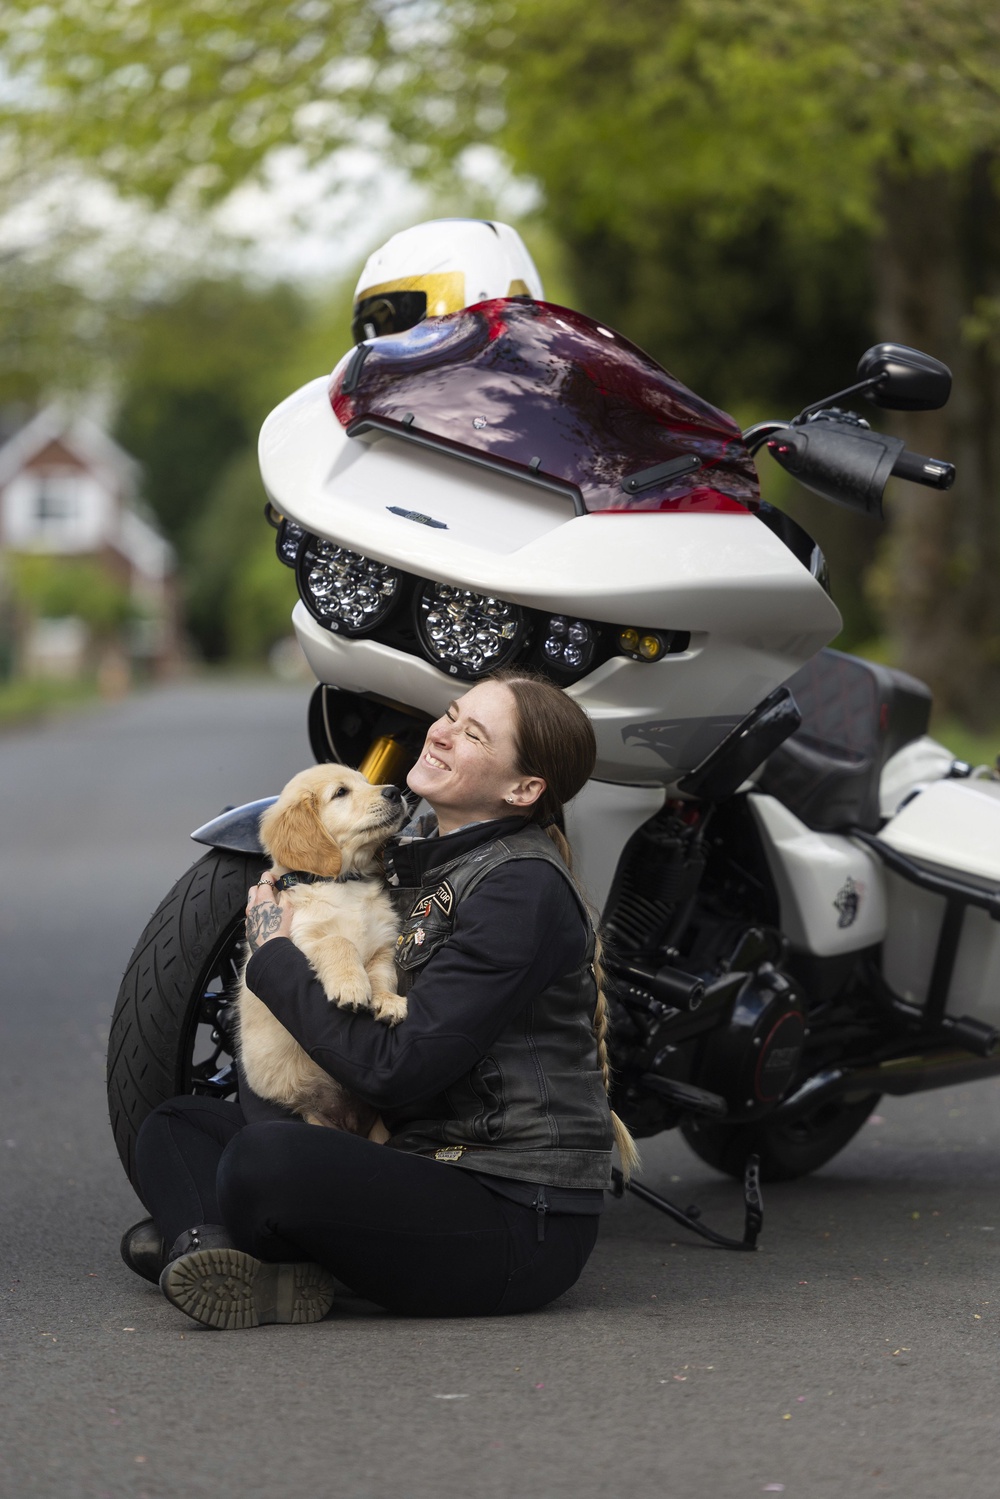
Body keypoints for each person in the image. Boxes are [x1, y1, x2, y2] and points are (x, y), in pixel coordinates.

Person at [121, 671, 638, 1329]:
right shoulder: (424, 857)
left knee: (264, 1161)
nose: (442, 732)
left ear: (523, 788)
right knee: (175, 1124)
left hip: (511, 1211)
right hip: (415, 1158)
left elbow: (396, 1071)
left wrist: (273, 957)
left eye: (472, 732)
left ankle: (217, 1237)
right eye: (450, 713)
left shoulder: (520, 889)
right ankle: (221, 1252)